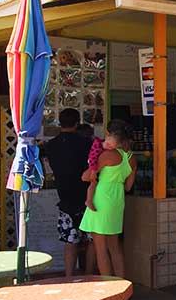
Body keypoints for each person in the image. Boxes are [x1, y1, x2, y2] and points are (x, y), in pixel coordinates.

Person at [80, 119, 137, 278]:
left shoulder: (107, 155)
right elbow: (128, 187)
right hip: (117, 200)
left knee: (100, 248)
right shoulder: (132, 158)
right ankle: (122, 285)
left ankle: (108, 287)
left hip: (101, 198)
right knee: (115, 247)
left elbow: (87, 176)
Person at [43, 109, 95, 277]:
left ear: (60, 122)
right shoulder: (87, 143)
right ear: (77, 123)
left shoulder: (51, 145)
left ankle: (69, 276)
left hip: (65, 198)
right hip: (88, 199)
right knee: (92, 241)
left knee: (70, 241)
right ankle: (89, 273)